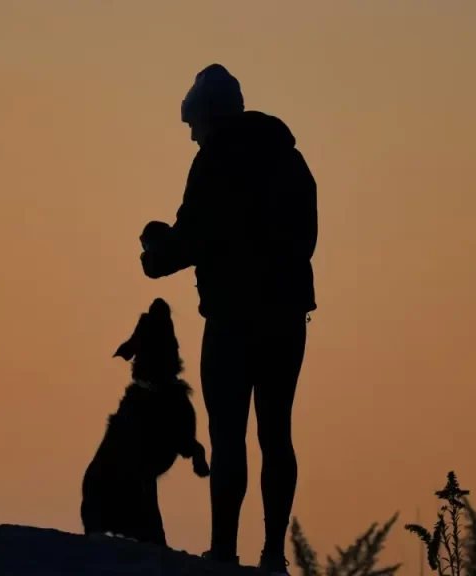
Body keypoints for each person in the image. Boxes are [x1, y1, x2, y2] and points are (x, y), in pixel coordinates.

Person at [139, 63, 317, 575]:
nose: (192, 137)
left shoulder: (214, 163)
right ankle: (272, 556)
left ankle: (223, 552)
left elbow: (188, 241)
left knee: (229, 436)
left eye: (193, 127)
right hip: (285, 318)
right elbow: (306, 238)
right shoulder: (289, 159)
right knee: (276, 434)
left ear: (208, 118)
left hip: (233, 321)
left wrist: (154, 247)